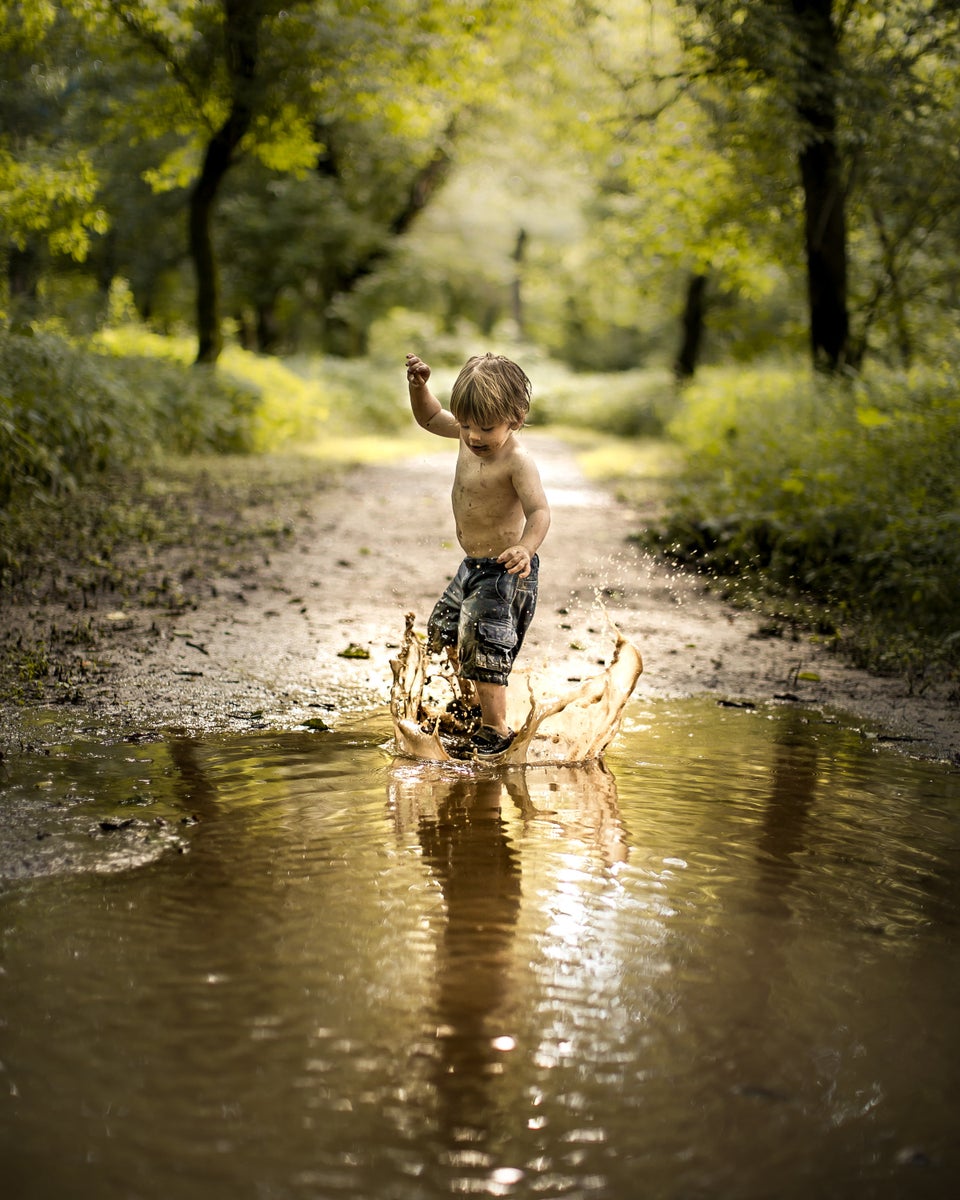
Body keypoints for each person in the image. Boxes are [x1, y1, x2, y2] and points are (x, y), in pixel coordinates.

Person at [406, 350, 551, 756]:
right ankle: (469, 704)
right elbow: (429, 418)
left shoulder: (517, 461)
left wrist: (525, 546)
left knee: (485, 646)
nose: (472, 437)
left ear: (516, 419)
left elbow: (539, 512)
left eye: (485, 428)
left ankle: (496, 728)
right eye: (466, 424)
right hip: (471, 566)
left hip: (505, 569)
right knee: (445, 631)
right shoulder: (467, 434)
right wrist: (419, 387)